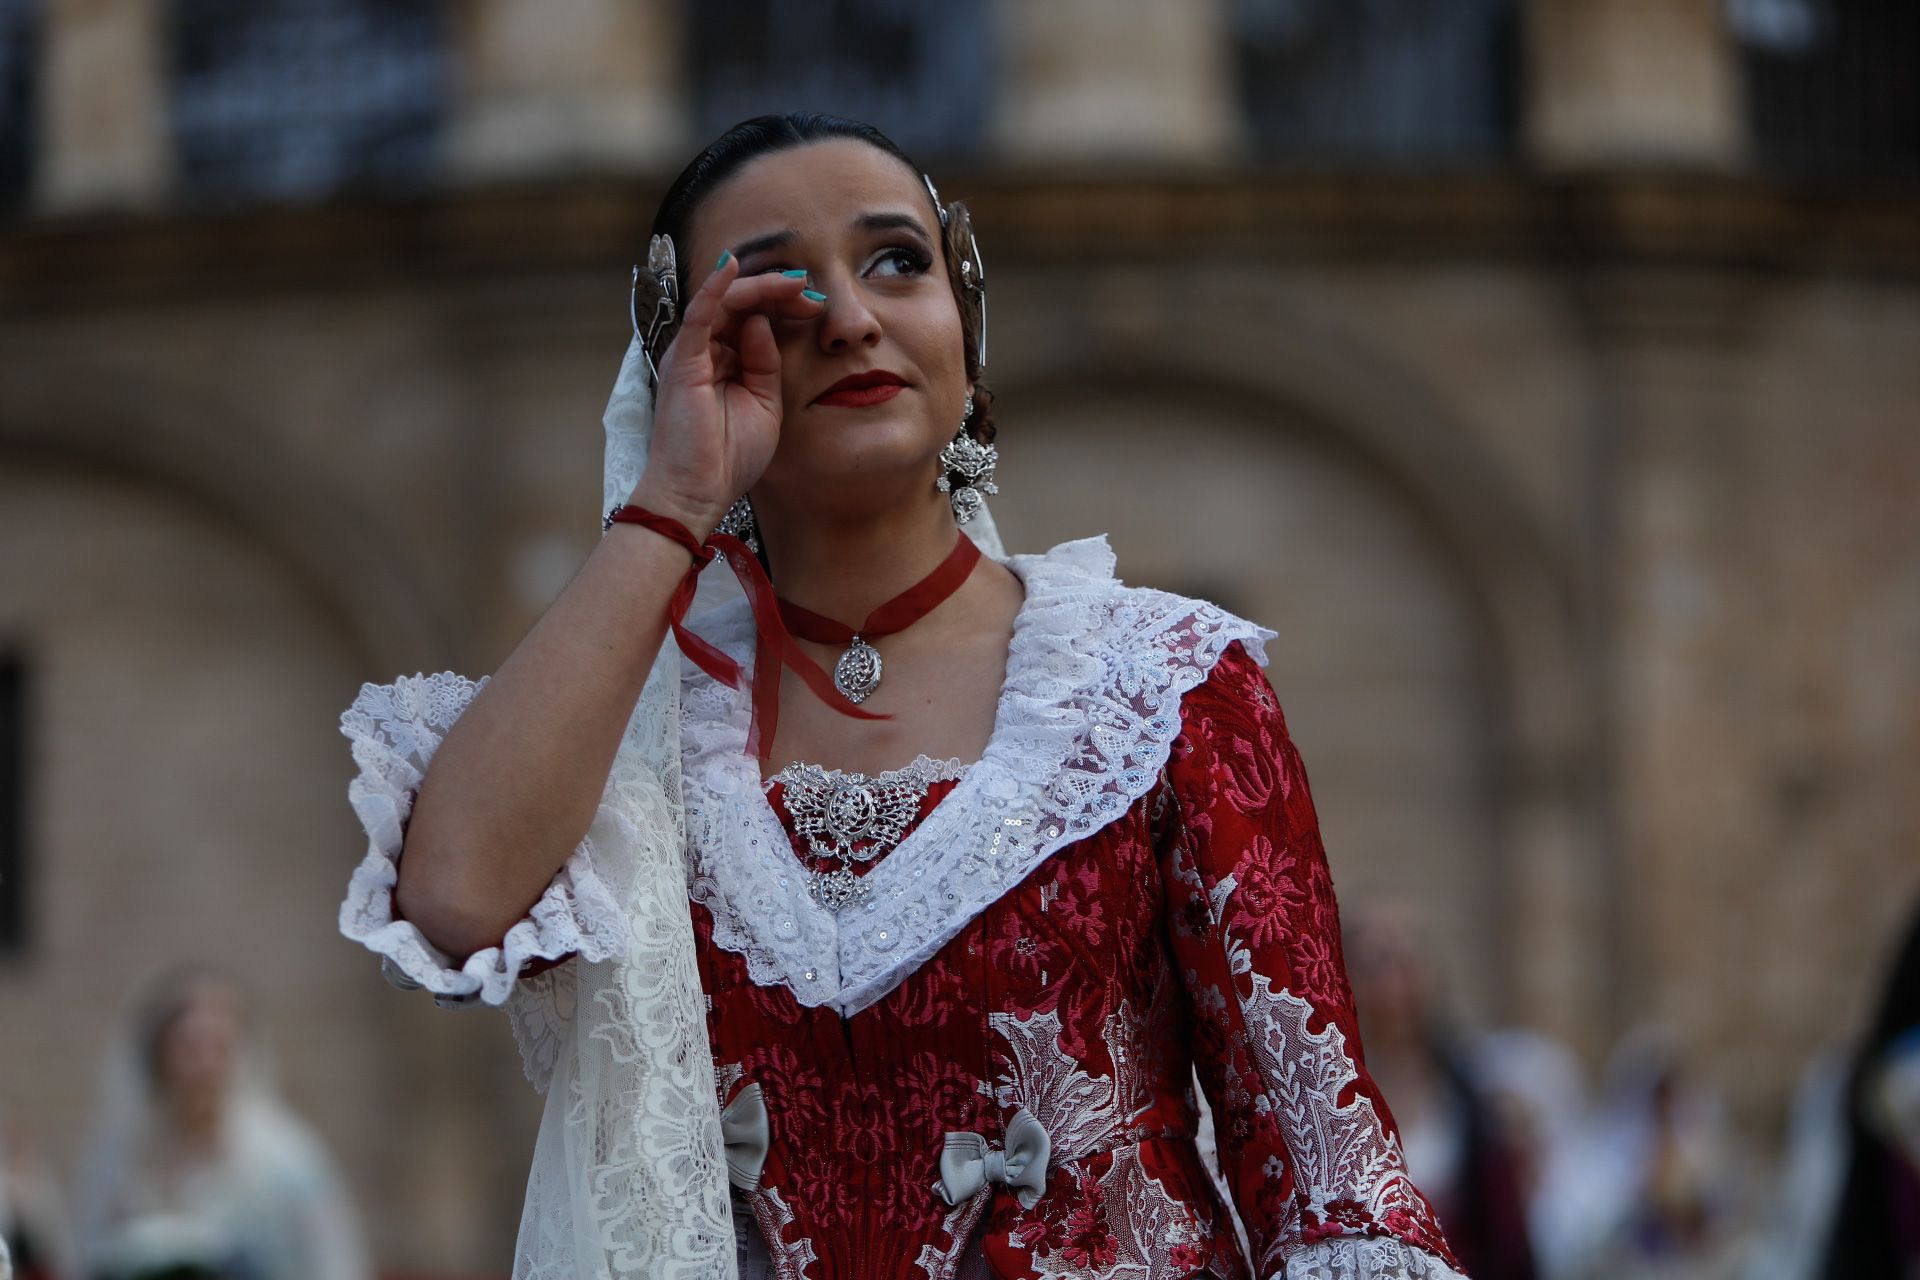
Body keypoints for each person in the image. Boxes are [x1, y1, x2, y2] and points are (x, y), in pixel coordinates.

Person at [339, 111, 1469, 1279]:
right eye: (776, 289)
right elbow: (456, 900)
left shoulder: (1164, 686)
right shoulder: (629, 717)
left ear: (965, 326)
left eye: (897, 261)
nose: (854, 316)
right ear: (691, 358)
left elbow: (1335, 1183)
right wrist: (673, 501)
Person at [75, 969, 372, 1280]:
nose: (207, 1066)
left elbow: (333, 1262)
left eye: (220, 1047)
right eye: (190, 1048)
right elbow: (87, 1251)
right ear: (161, 1055)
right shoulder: (122, 1154)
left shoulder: (286, 1158)